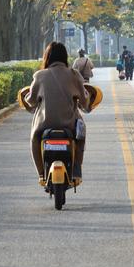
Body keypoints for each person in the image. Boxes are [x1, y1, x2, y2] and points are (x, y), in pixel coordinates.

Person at [23, 41, 88, 186]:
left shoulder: (39, 76)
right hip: (70, 126)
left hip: (44, 126)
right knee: (81, 136)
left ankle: (41, 174)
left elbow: (31, 101)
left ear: (47, 57)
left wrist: (26, 97)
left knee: (34, 140)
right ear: (65, 57)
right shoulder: (74, 75)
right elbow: (84, 102)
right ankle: (76, 168)